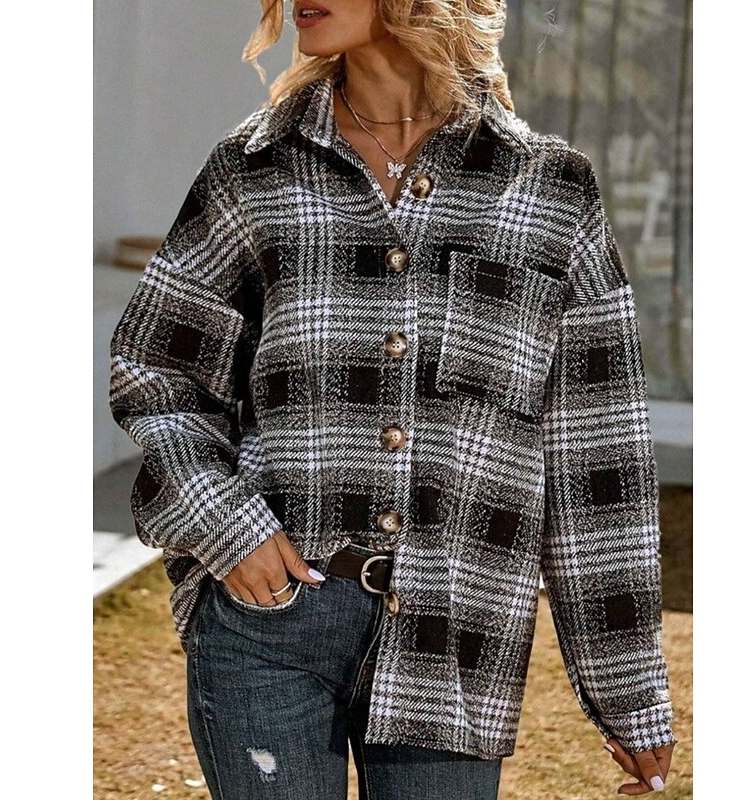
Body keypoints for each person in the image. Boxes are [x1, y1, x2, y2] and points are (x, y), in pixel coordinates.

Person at [108, 1, 678, 797]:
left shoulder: (549, 190)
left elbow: (596, 454)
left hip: (455, 636)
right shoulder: (254, 170)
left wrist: (629, 691)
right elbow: (157, 370)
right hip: (270, 621)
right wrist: (228, 527)